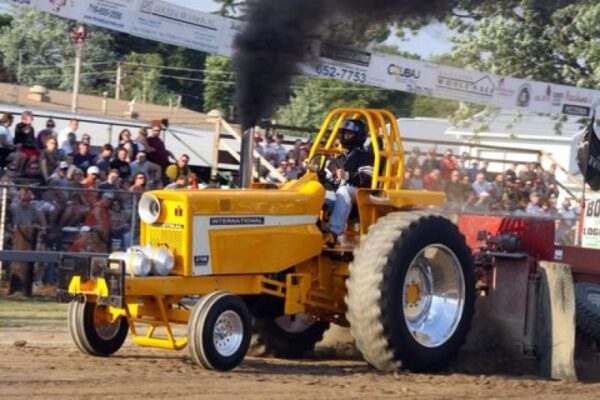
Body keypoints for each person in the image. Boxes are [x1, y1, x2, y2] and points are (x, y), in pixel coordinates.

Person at [322, 119, 373, 244]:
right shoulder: (340, 157)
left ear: (358, 136)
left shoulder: (366, 156)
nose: (345, 136)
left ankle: (333, 232)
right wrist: (317, 173)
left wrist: (347, 175)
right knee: (318, 193)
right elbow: (328, 179)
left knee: (344, 190)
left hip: (361, 193)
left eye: (349, 134)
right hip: (341, 192)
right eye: (344, 133)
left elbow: (366, 178)